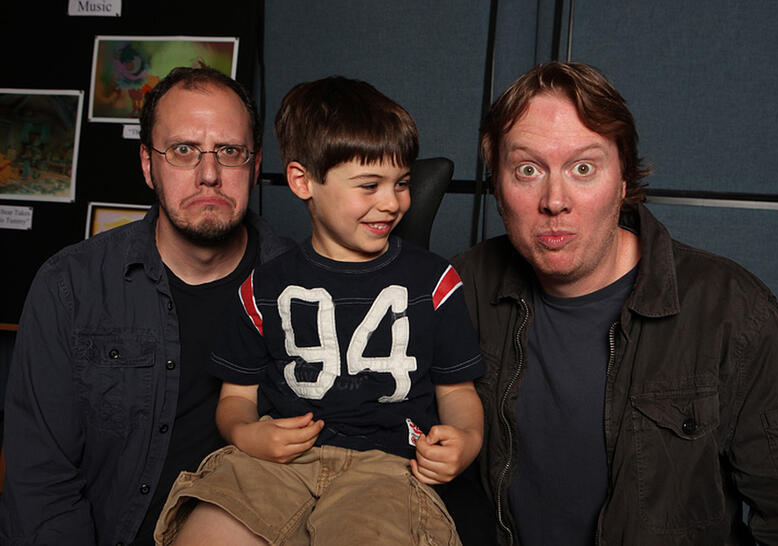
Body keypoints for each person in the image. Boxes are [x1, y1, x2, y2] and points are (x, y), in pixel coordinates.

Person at [450, 62, 778, 545]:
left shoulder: (730, 310)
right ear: (498, 187)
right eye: (528, 169)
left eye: (583, 168)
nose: (555, 200)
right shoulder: (458, 290)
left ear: (623, 180)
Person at [153, 76, 486, 545]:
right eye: (369, 185)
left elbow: (458, 391)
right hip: (275, 465)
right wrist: (249, 436)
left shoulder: (435, 283)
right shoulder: (262, 287)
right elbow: (234, 399)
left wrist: (466, 440)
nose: (392, 203)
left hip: (387, 470)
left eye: (402, 183)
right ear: (303, 181)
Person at [0, 67, 293, 545]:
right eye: (182, 151)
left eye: (229, 152)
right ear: (147, 164)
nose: (209, 174)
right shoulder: (70, 286)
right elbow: (41, 481)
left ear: (255, 166)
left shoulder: (303, 288)